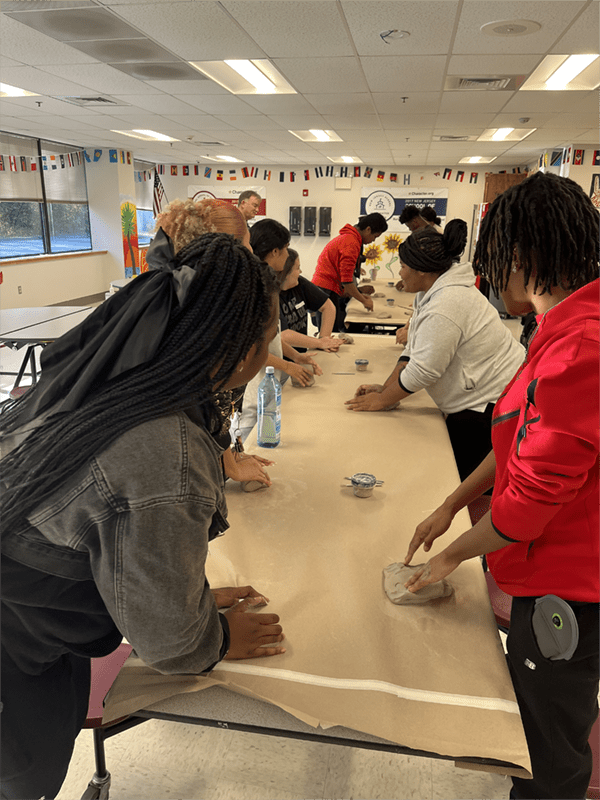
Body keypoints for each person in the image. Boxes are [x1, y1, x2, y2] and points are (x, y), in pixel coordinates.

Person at [0, 233, 286, 800]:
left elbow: (103, 529)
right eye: (268, 338)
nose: (270, 351)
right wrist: (213, 634)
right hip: (15, 652)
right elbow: (172, 646)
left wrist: (180, 591)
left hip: (29, 624)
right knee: (22, 778)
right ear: (234, 352)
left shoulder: (112, 377)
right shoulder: (165, 454)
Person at [403, 172, 599, 800]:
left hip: (568, 584)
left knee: (549, 746)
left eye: (498, 262)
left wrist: (453, 557)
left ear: (523, 259)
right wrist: (451, 504)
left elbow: (534, 500)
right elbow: (515, 442)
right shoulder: (559, 327)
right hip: (547, 568)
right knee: (536, 717)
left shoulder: (582, 347)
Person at [345, 220, 525, 482]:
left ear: (422, 271)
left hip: (488, 406)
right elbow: (414, 350)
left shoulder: (447, 303)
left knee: (465, 484)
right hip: (480, 397)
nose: (400, 272)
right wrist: (386, 390)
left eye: (404, 266)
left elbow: (424, 371)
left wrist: (383, 401)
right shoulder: (432, 292)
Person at [149, 198, 273, 487]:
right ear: (230, 250)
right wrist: (229, 464)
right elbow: (205, 392)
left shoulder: (185, 292)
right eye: (248, 243)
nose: (254, 252)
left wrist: (233, 451)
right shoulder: (209, 309)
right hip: (176, 466)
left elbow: (223, 404)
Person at [237, 221, 322, 442]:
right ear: (275, 252)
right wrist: (287, 366)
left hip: (271, 377)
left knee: (266, 429)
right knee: (250, 430)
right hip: (256, 381)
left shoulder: (270, 283)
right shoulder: (256, 287)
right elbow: (253, 347)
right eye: (285, 249)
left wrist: (295, 356)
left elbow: (272, 335)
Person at [312, 213, 388, 331]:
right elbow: (347, 282)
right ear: (368, 229)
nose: (373, 241)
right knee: (329, 332)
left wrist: (360, 295)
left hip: (327, 287)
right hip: (326, 288)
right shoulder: (351, 241)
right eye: (375, 236)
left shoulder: (350, 238)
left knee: (332, 330)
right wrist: (364, 300)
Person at [279, 249, 342, 353]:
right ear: (285, 273)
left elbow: (328, 307)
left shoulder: (299, 283)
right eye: (297, 268)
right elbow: (284, 335)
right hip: (280, 361)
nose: (300, 271)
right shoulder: (271, 295)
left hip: (301, 356)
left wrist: (323, 339)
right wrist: (319, 343)